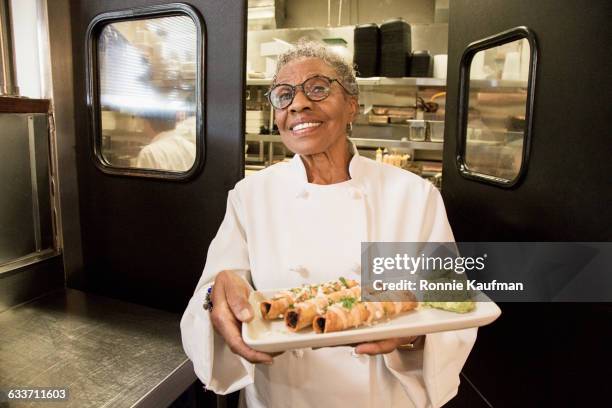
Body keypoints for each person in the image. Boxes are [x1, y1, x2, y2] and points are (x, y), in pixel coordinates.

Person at [181, 41, 476, 408]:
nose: (298, 104)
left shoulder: (413, 196)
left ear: (352, 103)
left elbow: (454, 304)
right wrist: (216, 297)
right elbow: (211, 296)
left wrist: (409, 336)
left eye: (318, 88)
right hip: (281, 399)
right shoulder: (251, 195)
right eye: (283, 95)